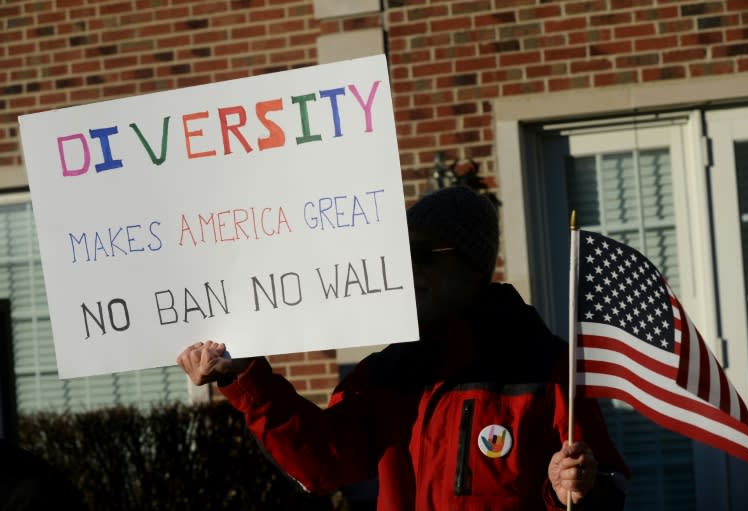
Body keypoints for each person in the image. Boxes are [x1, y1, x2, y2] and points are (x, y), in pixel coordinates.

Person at [177, 185, 630, 510]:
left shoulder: (545, 365)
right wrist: (243, 377)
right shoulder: (386, 373)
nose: (409, 271)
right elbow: (321, 466)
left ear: (472, 267)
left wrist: (573, 491)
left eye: (424, 255)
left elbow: (608, 487)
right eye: (402, 255)